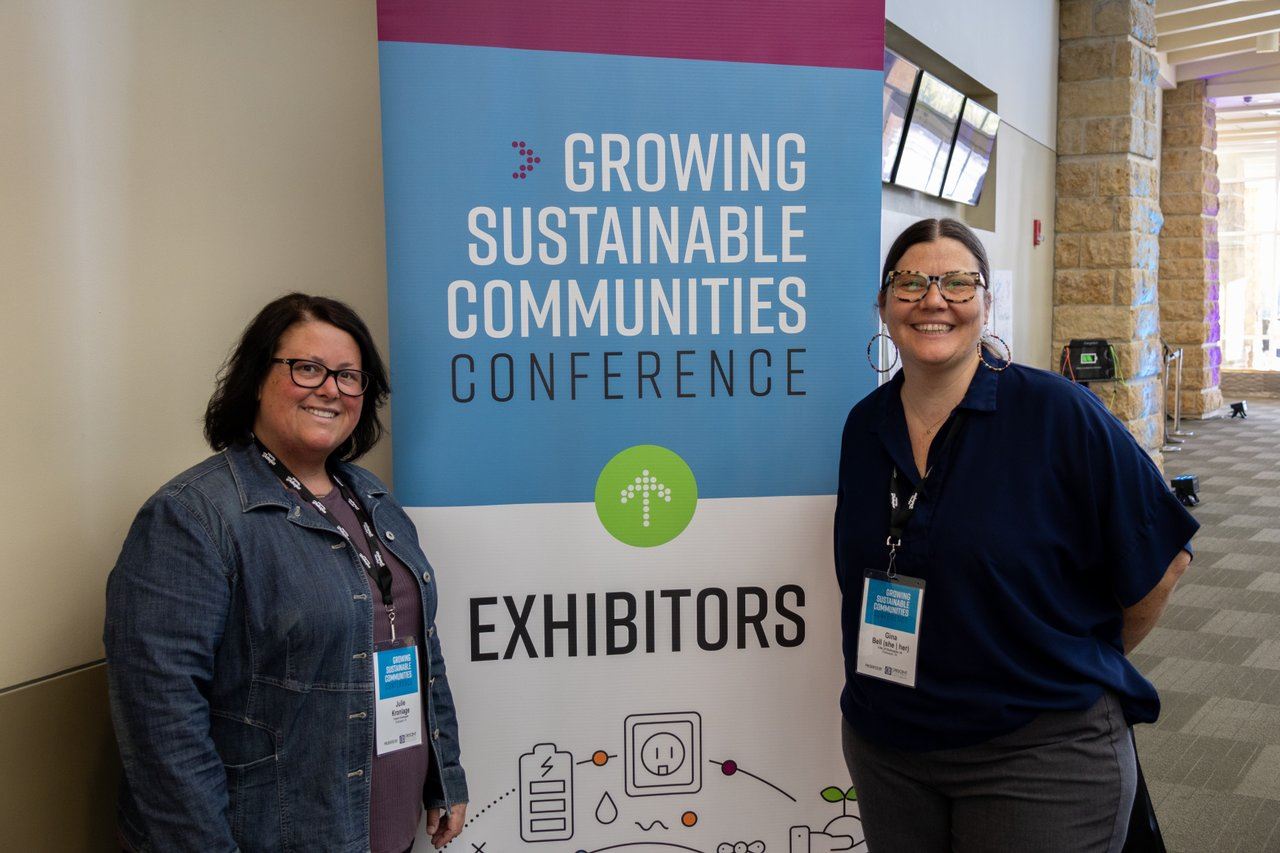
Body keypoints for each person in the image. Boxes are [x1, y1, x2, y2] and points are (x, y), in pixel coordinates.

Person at [834, 219, 1198, 852]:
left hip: (1038, 754)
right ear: (885, 304)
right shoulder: (865, 428)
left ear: (985, 301)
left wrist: (1072, 661)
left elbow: (1163, 558)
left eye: (957, 282)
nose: (933, 300)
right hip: (887, 749)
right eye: (911, 282)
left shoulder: (1057, 413)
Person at [105, 294, 467, 852]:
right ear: (255, 378)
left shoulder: (373, 499)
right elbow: (162, 726)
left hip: (388, 831)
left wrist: (446, 775)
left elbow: (418, 643)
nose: (331, 389)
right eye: (307, 368)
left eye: (349, 376)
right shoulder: (191, 517)